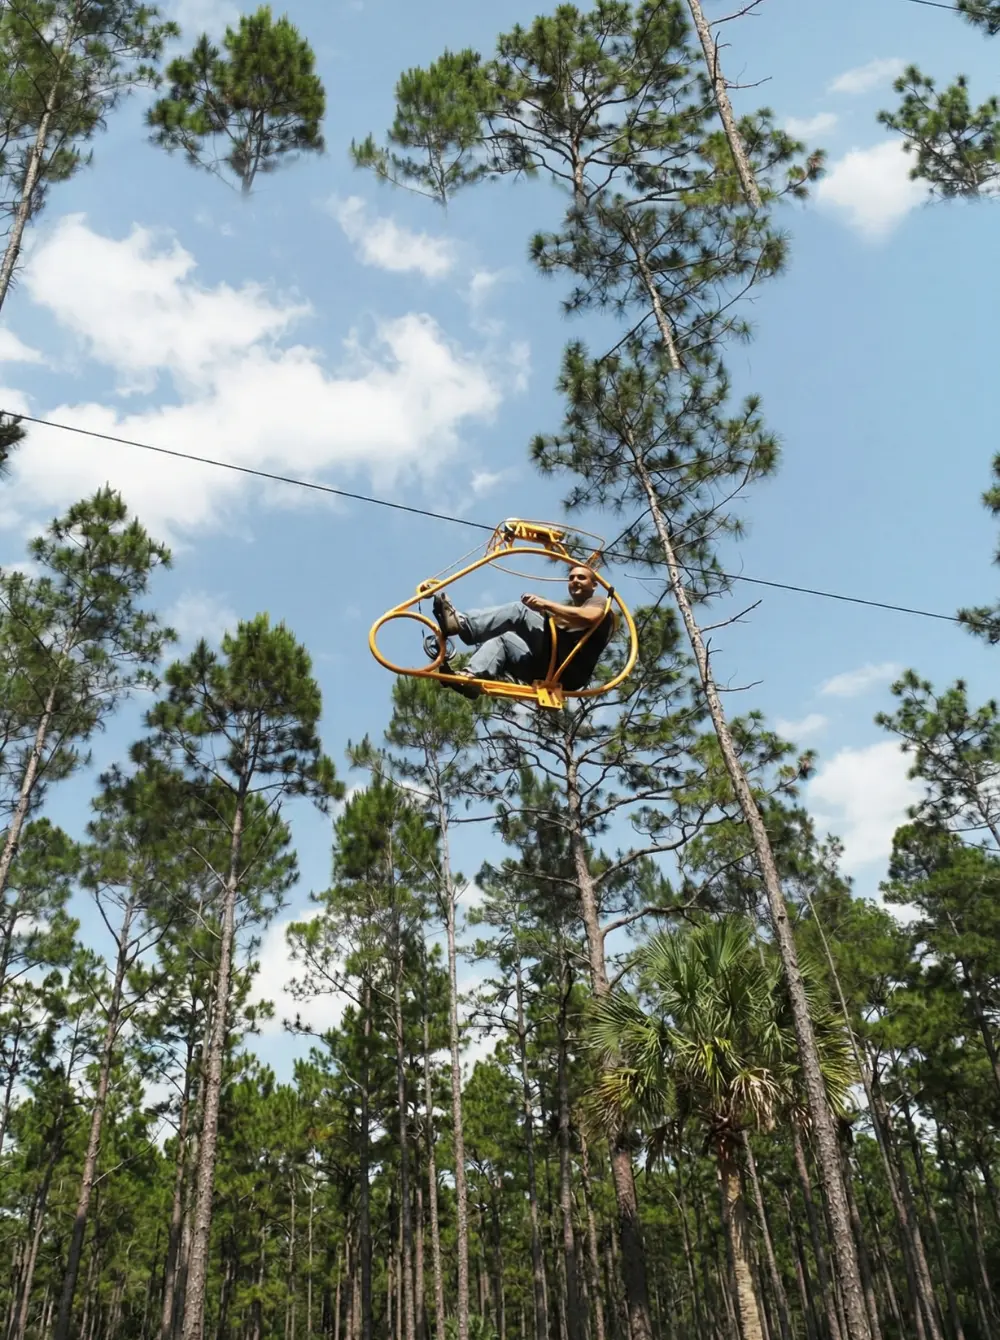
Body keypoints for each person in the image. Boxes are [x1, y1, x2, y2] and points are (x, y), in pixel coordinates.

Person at [432, 563, 614, 699]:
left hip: (568, 666)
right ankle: (470, 678)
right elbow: (559, 627)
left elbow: (589, 617)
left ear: (594, 585)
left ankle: (463, 624)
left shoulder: (599, 603)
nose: (575, 581)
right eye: (571, 578)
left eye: (581, 578)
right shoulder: (569, 616)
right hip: (548, 671)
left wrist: (545, 605)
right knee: (504, 639)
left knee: (518, 610)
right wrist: (543, 613)